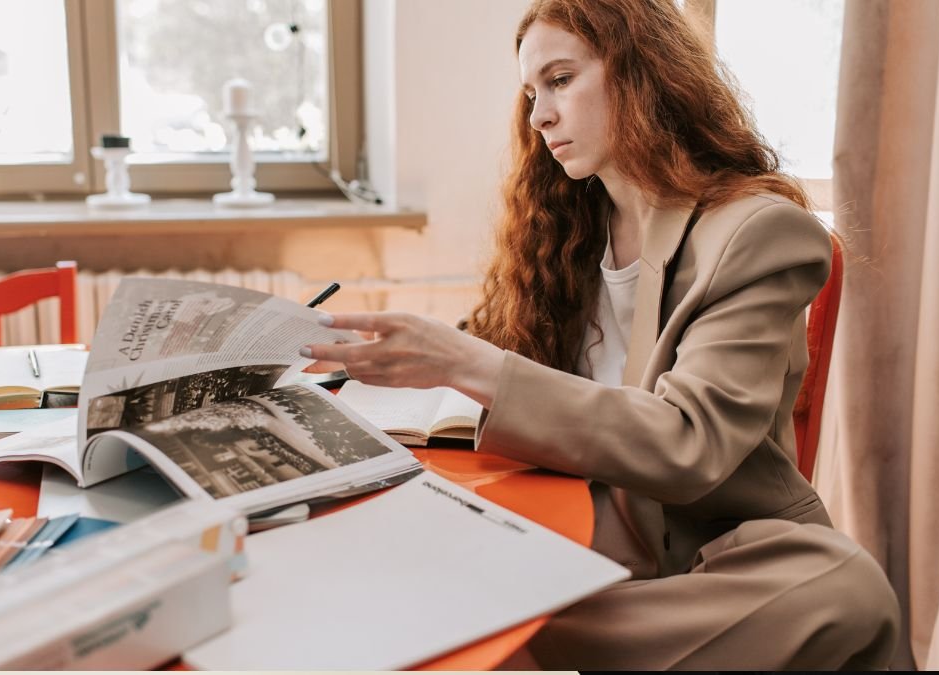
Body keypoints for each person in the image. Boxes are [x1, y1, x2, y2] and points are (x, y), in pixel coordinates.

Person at [302, 0, 900, 669]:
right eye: (532, 92)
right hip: (581, 523)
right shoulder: (564, 233)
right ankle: (512, 622)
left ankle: (516, 626)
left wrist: (469, 364)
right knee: (393, 549)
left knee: (848, 588)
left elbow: (688, 441)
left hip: (707, 552)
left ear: (641, 70)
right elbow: (500, 348)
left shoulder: (756, 232)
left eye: (560, 80)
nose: (538, 116)